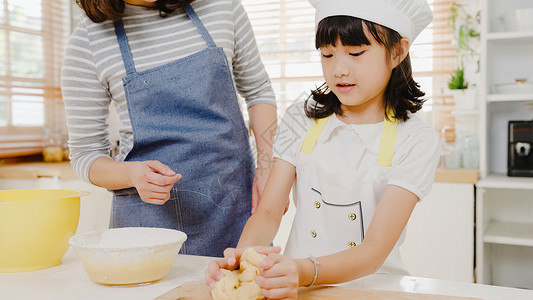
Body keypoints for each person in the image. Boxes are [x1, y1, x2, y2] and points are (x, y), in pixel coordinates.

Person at [205, 0, 441, 298]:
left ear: (398, 51)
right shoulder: (300, 116)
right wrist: (239, 260)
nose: (339, 69)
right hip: (294, 288)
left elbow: (374, 250)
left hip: (373, 291)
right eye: (327, 54)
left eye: (356, 53)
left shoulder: (417, 140)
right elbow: (268, 211)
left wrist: (302, 271)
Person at [61, 0, 278, 257]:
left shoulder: (221, 6)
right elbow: (86, 155)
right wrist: (132, 174)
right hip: (146, 231)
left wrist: (267, 167)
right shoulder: (87, 42)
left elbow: (258, 91)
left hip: (235, 212)